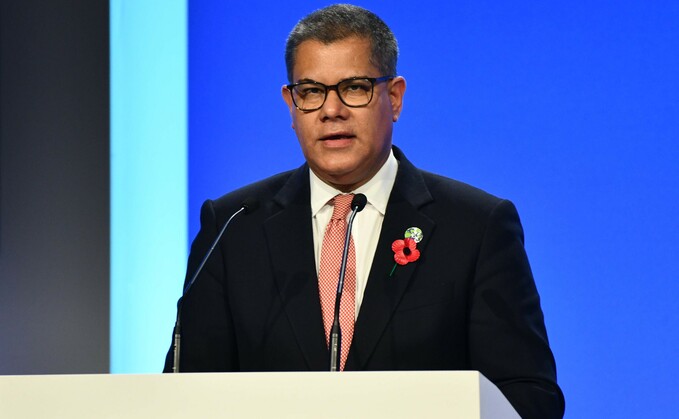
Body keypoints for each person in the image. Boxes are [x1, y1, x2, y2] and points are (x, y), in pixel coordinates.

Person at [164, 4, 565, 418]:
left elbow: (528, 397)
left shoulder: (476, 227)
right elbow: (185, 389)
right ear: (291, 104)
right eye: (311, 91)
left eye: (354, 87)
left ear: (394, 98)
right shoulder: (233, 227)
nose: (331, 109)